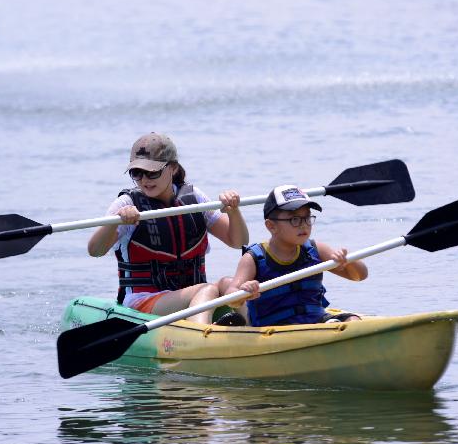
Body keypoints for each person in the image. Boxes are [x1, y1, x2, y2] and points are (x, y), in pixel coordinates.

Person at [87, 133, 249, 324]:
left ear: (172, 168)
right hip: (143, 301)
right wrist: (116, 221)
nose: (145, 180)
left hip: (191, 294)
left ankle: (253, 331)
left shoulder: (194, 198)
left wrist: (233, 211)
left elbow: (238, 241)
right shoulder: (126, 203)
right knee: (207, 289)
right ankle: (202, 338)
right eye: (137, 173)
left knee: (233, 285)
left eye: (152, 172)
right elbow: (95, 250)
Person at [222, 185, 367, 327]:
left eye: (307, 218)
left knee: (352, 320)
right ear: (271, 226)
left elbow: (360, 276)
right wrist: (244, 291)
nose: (304, 225)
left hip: (317, 319)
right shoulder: (254, 258)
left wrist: (348, 261)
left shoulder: (316, 249)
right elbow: (231, 295)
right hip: (275, 327)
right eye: (295, 220)